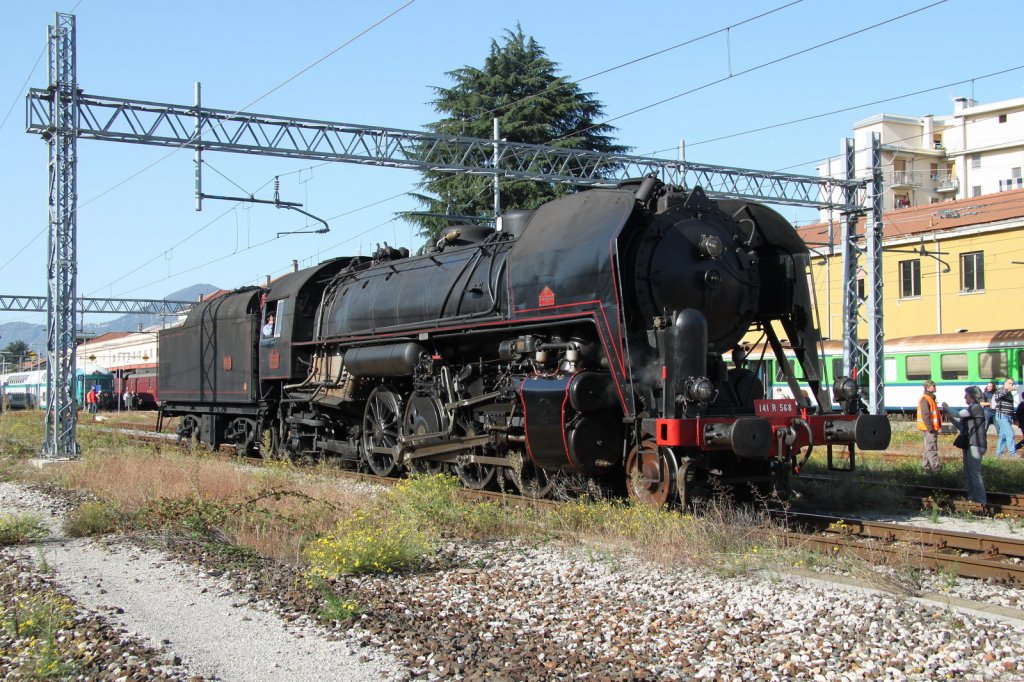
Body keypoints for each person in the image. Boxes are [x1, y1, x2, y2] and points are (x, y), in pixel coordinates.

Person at [943, 386, 987, 505]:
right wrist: (950, 418)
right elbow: (962, 427)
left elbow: (958, 413)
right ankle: (972, 498)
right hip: (969, 444)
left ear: (972, 396)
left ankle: (981, 500)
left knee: (974, 474)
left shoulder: (975, 407)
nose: (964, 397)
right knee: (968, 473)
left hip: (976, 444)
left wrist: (947, 408)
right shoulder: (971, 408)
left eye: (966, 395)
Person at [915, 379, 942, 473]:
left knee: (928, 448)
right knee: (932, 448)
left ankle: (926, 468)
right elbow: (925, 415)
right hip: (929, 428)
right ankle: (936, 469)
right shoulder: (926, 399)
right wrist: (930, 428)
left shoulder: (930, 398)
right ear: (928, 387)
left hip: (930, 428)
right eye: (933, 386)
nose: (935, 387)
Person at [993, 378, 1017, 457]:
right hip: (1002, 415)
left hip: (1008, 416)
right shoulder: (1000, 390)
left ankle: (999, 453)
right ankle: (1012, 453)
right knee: (1010, 434)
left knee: (1003, 435)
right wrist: (1007, 390)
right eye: (1010, 383)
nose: (1011, 385)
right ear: (1005, 383)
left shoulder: (1010, 394)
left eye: (1012, 384)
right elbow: (998, 396)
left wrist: (1014, 417)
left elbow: (1011, 406)